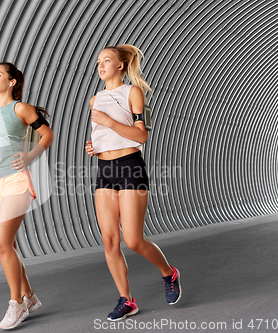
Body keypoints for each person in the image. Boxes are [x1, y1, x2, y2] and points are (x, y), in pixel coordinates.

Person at [85, 45, 182, 321]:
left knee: (134, 240)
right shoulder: (95, 99)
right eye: (99, 61)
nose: (101, 65)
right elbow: (104, 134)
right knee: (109, 240)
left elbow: (141, 136)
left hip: (130, 167)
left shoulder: (133, 92)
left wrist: (109, 122)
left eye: (107, 60)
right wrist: (94, 146)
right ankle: (127, 301)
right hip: (104, 169)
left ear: (120, 66)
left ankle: (169, 273)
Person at [0, 62, 54, 329]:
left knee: (1, 244)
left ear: (12, 82)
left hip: (15, 182)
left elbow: (47, 134)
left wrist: (30, 155)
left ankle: (15, 304)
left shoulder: (20, 108)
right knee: (9, 246)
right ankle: (29, 297)